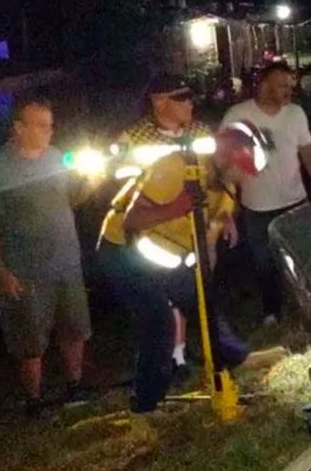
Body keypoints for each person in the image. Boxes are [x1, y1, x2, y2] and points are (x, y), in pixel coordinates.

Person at [97, 122, 260, 414]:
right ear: (228, 154)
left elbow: (213, 225)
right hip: (123, 252)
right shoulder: (175, 168)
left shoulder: (225, 187)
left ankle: (234, 358)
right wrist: (178, 206)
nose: (246, 180)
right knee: (160, 322)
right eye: (243, 170)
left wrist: (223, 224)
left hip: (165, 257)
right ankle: (146, 405)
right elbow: (132, 220)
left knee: (202, 303)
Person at [0, 97, 101, 415]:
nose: (49, 131)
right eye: (41, 125)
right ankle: (34, 399)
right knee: (30, 340)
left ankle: (75, 386)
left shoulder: (56, 158)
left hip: (66, 262)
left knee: (74, 328)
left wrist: (92, 183)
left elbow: (72, 199)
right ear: (19, 128)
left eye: (51, 125)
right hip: (25, 268)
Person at [114, 75, 238, 374]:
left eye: (189, 97)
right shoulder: (132, 138)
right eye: (181, 98)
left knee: (199, 291)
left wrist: (226, 214)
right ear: (159, 102)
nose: (190, 103)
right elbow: (121, 187)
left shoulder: (199, 132)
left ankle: (202, 352)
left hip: (200, 230)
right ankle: (173, 357)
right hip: (158, 235)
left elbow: (214, 178)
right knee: (169, 295)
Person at [221, 61, 311, 326]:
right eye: (282, 85)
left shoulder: (296, 114)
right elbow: (221, 158)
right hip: (257, 206)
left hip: (295, 200)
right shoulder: (238, 115)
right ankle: (272, 309)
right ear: (264, 85)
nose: (288, 91)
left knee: (303, 258)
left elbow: (309, 153)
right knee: (264, 262)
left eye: (290, 86)